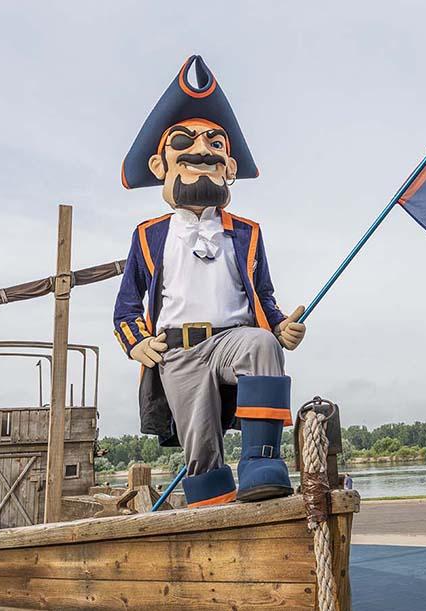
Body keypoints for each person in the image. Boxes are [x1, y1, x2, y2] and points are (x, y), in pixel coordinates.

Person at [113, 55, 306, 506]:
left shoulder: (247, 232)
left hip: (232, 338)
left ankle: (262, 464)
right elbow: (126, 306)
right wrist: (136, 342)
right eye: (185, 145)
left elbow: (264, 296)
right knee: (200, 448)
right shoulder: (148, 235)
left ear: (230, 170)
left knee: (262, 346)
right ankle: (211, 512)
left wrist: (280, 326)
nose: (202, 156)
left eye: (215, 150)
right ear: (161, 167)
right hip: (178, 351)